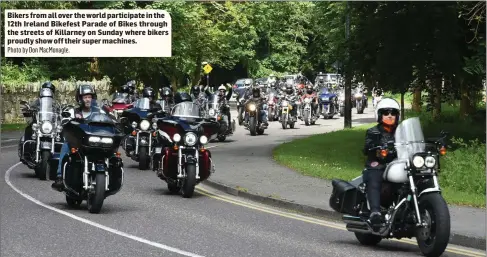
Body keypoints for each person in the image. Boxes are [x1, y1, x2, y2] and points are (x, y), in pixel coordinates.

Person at [51, 84, 103, 190]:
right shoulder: (73, 112)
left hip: (95, 142)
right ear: (80, 99)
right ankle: (60, 176)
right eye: (85, 97)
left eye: (89, 97)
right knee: (66, 143)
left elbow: (109, 119)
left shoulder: (99, 112)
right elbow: (65, 122)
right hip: (79, 143)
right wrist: (69, 120)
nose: (88, 100)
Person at [362, 97, 400, 230]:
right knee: (375, 175)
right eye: (386, 113)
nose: (390, 116)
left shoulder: (401, 131)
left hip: (398, 164)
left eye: (393, 113)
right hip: (378, 163)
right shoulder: (373, 131)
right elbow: (367, 148)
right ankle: (375, 212)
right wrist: (375, 146)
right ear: (379, 115)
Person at [19, 81, 57, 160]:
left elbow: (60, 111)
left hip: (51, 125)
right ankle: (26, 153)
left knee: (61, 133)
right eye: (46, 90)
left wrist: (62, 112)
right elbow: (30, 107)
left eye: (50, 90)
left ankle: (59, 155)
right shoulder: (37, 102)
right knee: (29, 129)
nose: (48, 92)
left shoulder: (55, 104)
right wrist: (28, 109)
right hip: (39, 123)